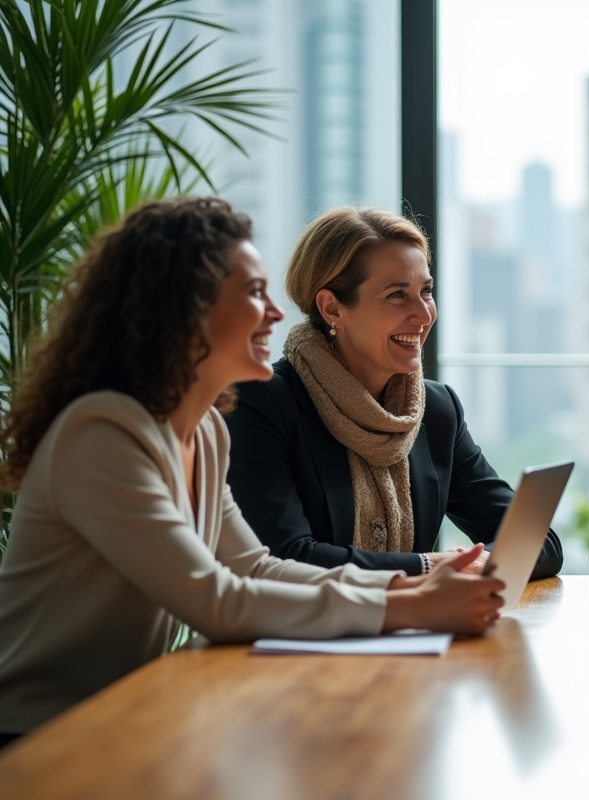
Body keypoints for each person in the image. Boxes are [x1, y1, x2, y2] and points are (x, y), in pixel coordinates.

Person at [0, 198, 504, 743]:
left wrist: (415, 590)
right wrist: (411, 606)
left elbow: (257, 569)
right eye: (253, 293)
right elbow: (216, 599)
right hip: (36, 734)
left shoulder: (206, 432)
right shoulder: (102, 433)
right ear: (187, 309)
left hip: (126, 719)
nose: (274, 312)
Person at [225, 208, 562, 579]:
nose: (423, 314)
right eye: (397, 295)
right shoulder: (262, 402)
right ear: (332, 308)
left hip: (412, 632)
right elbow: (284, 559)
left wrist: (477, 563)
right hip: (299, 634)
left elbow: (539, 542)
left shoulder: (435, 410)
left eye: (426, 291)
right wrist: (427, 566)